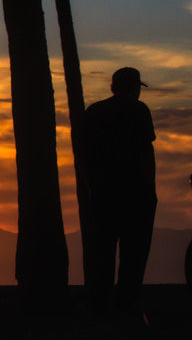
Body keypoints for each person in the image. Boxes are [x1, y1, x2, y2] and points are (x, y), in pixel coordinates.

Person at [85, 66, 156, 310]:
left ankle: (99, 300)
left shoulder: (95, 112)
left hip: (103, 193)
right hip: (136, 194)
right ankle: (126, 302)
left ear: (113, 87)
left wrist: (91, 185)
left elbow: (85, 154)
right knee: (134, 254)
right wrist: (151, 191)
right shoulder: (139, 111)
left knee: (102, 251)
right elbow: (146, 153)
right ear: (134, 88)